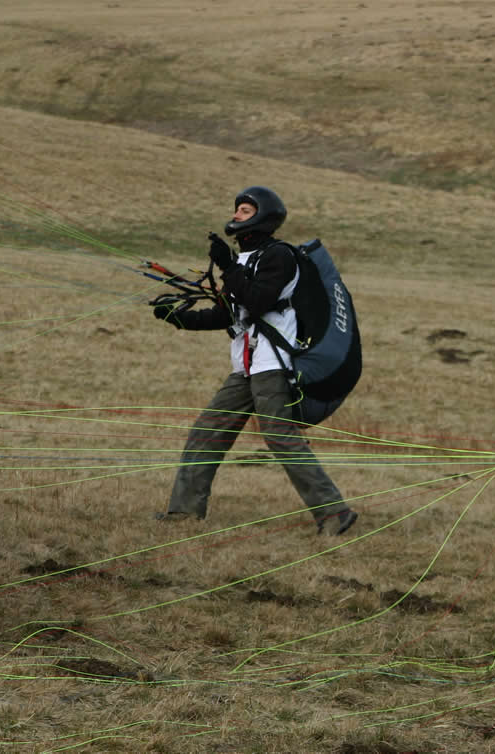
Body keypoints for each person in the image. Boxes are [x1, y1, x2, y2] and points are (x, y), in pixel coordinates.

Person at [150, 186, 357, 535]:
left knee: (279, 436)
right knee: (208, 431)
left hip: (273, 365)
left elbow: (257, 301)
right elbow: (229, 314)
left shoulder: (279, 256)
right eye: (237, 209)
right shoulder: (245, 261)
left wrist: (228, 265)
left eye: (245, 211)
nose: (236, 215)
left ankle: (334, 512)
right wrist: (179, 318)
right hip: (247, 366)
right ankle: (184, 512)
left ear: (263, 217)